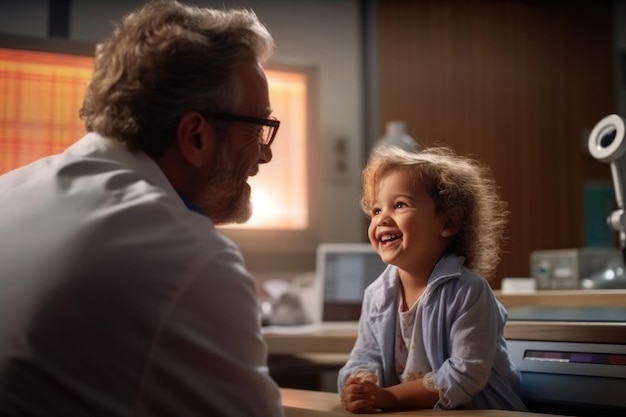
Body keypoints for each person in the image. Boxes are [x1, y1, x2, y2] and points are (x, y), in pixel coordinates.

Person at [0, 1, 285, 416]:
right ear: (196, 137)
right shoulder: (189, 256)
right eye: (257, 128)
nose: (265, 156)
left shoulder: (9, 191)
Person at [338, 145, 527, 413]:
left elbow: (464, 373)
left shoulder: (469, 292)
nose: (381, 219)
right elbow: (365, 356)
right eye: (377, 210)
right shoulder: (376, 295)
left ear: (448, 223)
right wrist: (360, 384)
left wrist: (390, 398)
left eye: (400, 205)